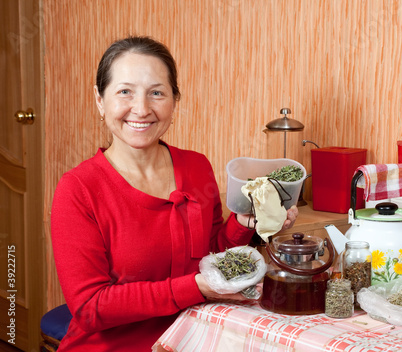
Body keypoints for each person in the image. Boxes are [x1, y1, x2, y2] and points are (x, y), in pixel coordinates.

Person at [50, 36, 298, 351]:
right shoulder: (79, 189)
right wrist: (195, 288)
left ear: (174, 100)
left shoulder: (196, 166)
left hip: (195, 337)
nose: (141, 109)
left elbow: (211, 256)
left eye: (157, 93)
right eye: (124, 91)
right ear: (99, 99)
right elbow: (90, 308)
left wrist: (243, 224)